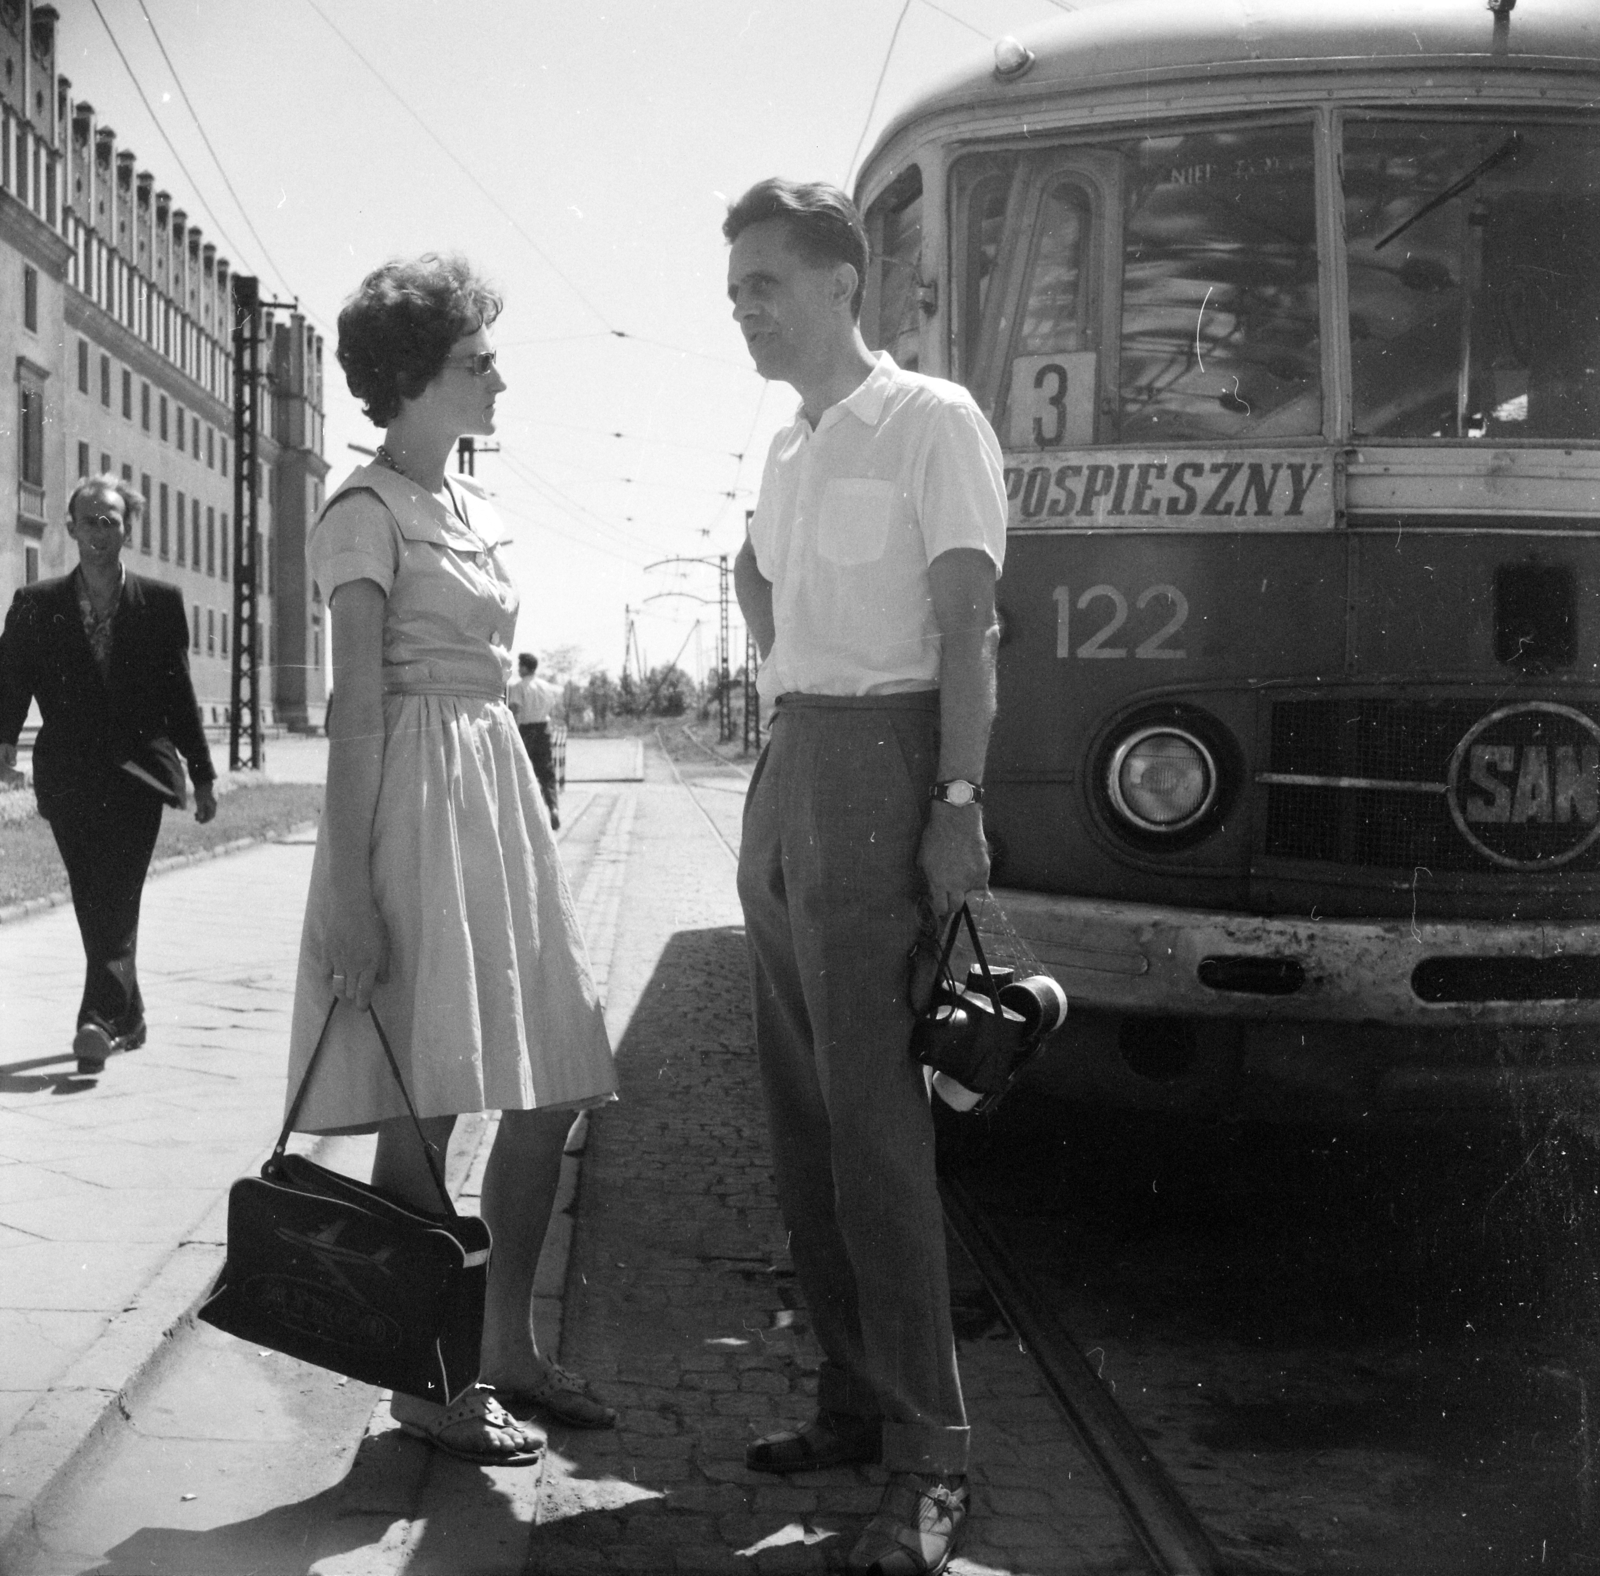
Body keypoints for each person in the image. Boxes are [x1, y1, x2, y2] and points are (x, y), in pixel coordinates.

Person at [282, 255, 617, 1466]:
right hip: (416, 802)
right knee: (429, 1099)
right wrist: (349, 900)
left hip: (492, 789)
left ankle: (508, 1345)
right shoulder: (361, 515)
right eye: (479, 360)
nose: (499, 378)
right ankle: (428, 1378)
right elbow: (356, 713)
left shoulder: (468, 507)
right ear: (415, 379)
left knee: (555, 1079)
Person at [725, 179, 1007, 1576]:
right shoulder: (788, 446)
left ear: (844, 283)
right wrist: (782, 677)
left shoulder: (931, 421)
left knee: (879, 1138)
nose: (744, 312)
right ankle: (848, 1400)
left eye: (765, 285)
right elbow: (753, 574)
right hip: (792, 767)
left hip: (887, 769)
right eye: (733, 294)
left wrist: (955, 799)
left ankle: (931, 1464)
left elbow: (970, 624)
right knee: (803, 1126)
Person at [0, 475, 218, 1074]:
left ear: (128, 529)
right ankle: (132, 1014)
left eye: (112, 520)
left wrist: (201, 776)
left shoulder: (161, 602)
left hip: (136, 777)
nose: (100, 531)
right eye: (90, 519)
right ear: (70, 527)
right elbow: (10, 681)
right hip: (67, 776)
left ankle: (96, 1019)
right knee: (93, 896)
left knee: (116, 894)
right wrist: (2, 746)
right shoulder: (36, 605)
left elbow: (179, 694)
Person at [507, 651, 561, 828]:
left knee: (522, 769)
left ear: (524, 667)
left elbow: (514, 710)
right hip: (543, 729)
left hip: (527, 730)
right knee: (546, 770)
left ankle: (528, 814)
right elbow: (552, 707)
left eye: (520, 665)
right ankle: (553, 807)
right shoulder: (546, 686)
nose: (518, 668)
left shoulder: (518, 687)